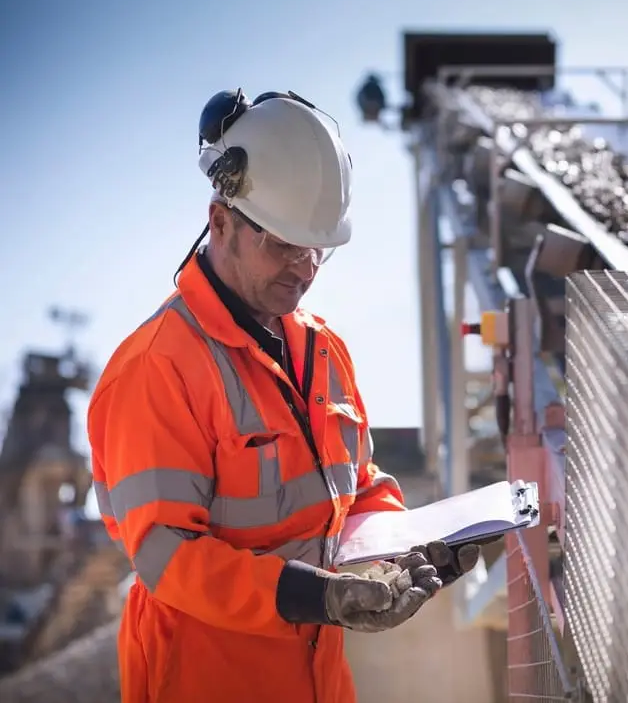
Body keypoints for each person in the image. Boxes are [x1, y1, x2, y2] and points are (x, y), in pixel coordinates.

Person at [87, 89, 481, 703]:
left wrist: (406, 547)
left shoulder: (323, 350)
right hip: (205, 681)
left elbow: (356, 489)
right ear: (220, 221)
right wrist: (319, 596)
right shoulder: (156, 367)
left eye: (317, 249)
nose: (304, 267)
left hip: (317, 677)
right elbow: (168, 555)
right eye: (283, 244)